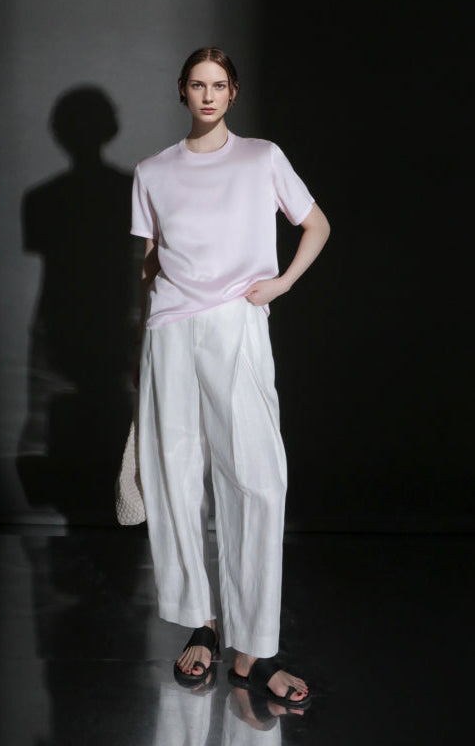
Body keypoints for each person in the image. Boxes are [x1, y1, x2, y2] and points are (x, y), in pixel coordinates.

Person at [131, 46, 330, 708]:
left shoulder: (261, 158)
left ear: (233, 92)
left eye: (219, 84)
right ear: (182, 91)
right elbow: (150, 260)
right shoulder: (152, 171)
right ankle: (202, 626)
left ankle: (255, 649)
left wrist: (280, 283)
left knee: (256, 479)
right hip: (170, 330)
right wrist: (149, 329)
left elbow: (316, 224)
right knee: (175, 475)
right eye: (197, 84)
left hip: (236, 324)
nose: (208, 95)